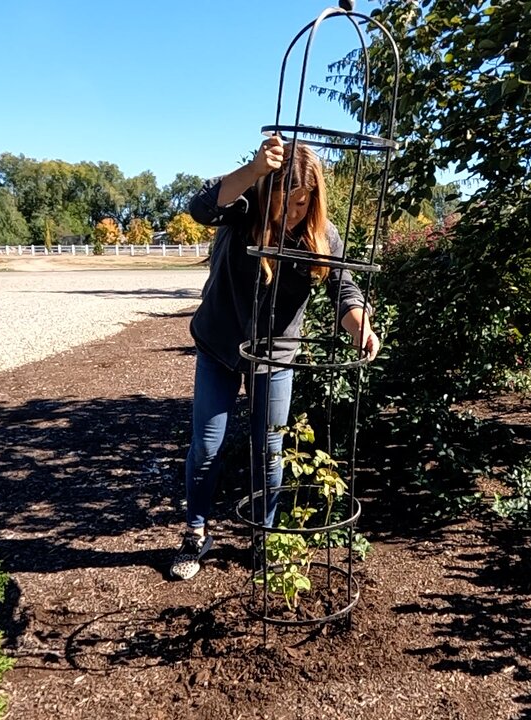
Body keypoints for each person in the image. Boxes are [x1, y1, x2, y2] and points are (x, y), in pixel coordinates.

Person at [170, 135, 379, 581]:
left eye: (305, 203)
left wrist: (360, 324)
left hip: (275, 352)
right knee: (207, 445)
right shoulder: (243, 207)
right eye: (288, 201)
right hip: (220, 345)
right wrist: (255, 169)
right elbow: (200, 208)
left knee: (269, 448)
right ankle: (195, 531)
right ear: (268, 191)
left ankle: (264, 536)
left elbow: (345, 289)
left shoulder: (322, 236)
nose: (295, 212)